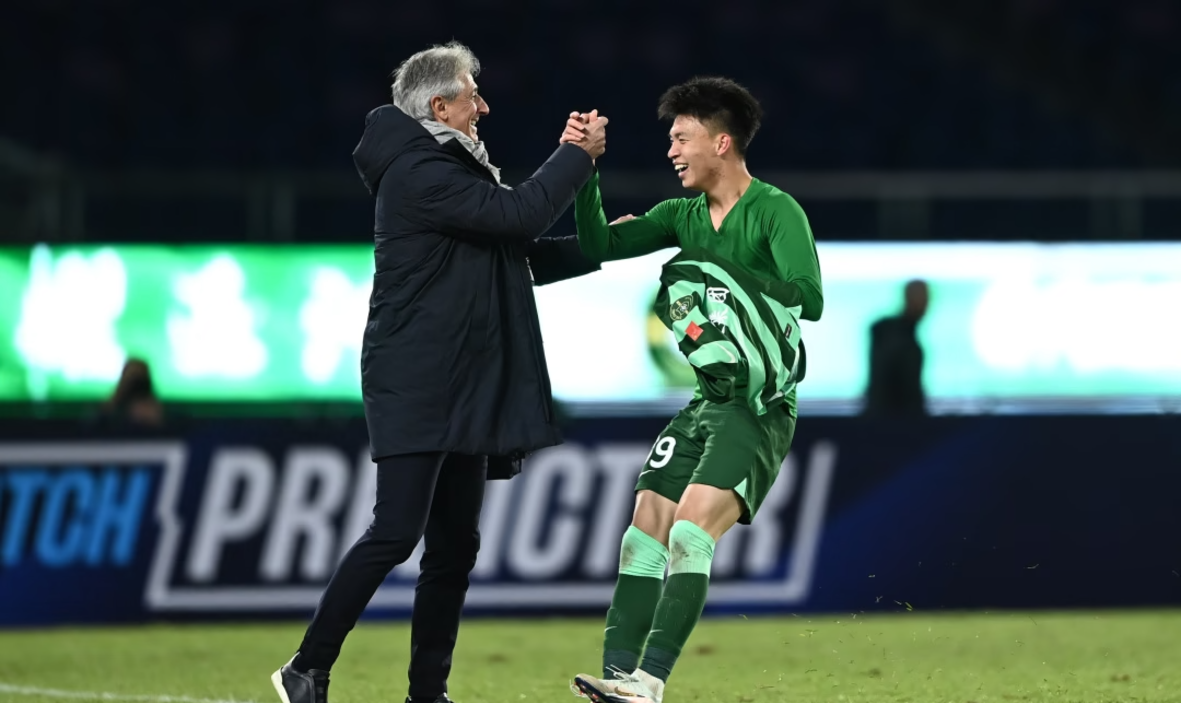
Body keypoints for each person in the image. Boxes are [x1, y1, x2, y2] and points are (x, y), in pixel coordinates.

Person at [270, 41, 608, 703]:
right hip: (419, 375)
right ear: (438, 104)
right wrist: (576, 156)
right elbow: (518, 215)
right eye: (471, 95)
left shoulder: (445, 166)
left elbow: (512, 251)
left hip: (461, 379)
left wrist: (604, 244)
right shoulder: (419, 171)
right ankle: (305, 667)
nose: (482, 106)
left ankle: (428, 693)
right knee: (396, 530)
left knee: (454, 547)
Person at [560, 76, 823, 703]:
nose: (672, 151)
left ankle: (649, 682)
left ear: (722, 142)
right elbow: (599, 244)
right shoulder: (680, 216)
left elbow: (807, 299)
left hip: (758, 403)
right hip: (707, 400)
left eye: (683, 137)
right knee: (644, 529)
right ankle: (619, 681)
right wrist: (584, 168)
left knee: (688, 533)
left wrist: (719, 284)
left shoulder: (776, 211)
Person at [863, 279, 929, 418]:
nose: (926, 303)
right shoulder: (890, 333)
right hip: (892, 422)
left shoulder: (898, 332)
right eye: (922, 296)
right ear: (908, 297)